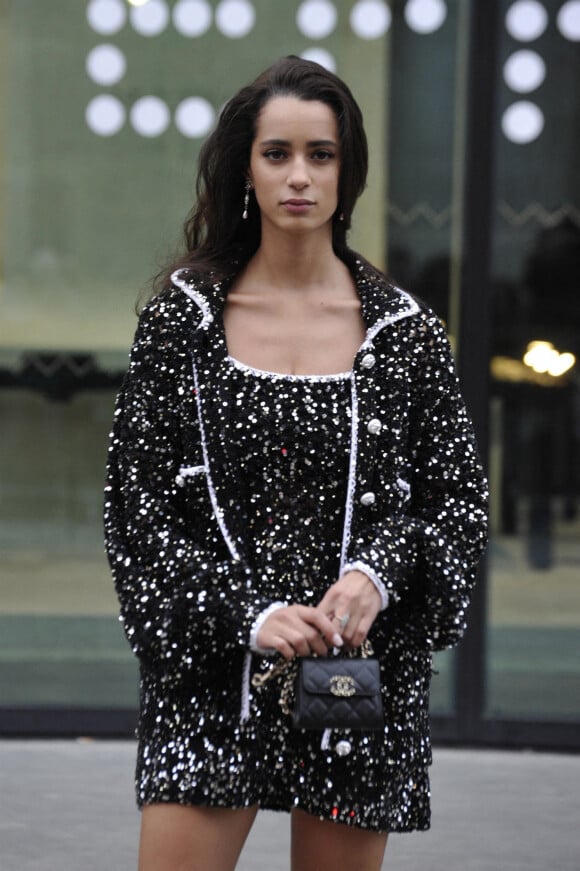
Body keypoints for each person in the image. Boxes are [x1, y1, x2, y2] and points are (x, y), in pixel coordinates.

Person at [104, 56, 488, 871]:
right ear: (245, 164)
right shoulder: (184, 321)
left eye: (322, 154)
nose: (299, 176)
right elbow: (135, 514)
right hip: (210, 676)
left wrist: (375, 575)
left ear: (348, 172)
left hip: (353, 679)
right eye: (277, 153)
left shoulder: (405, 332)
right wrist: (249, 613)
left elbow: (456, 504)